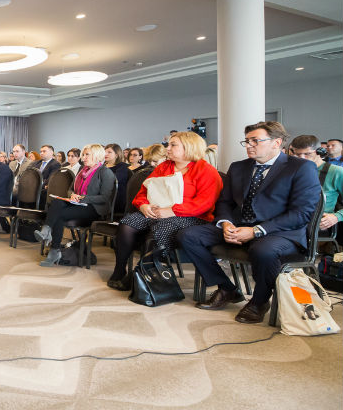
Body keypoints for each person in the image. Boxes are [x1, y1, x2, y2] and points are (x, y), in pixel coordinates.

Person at [178, 121, 321, 324]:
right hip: (239, 226)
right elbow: (225, 202)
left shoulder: (300, 168)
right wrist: (225, 223)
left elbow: (301, 213)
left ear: (276, 142)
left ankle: (259, 301)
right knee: (188, 236)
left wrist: (256, 230)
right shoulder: (238, 167)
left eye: (255, 140)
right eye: (247, 141)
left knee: (263, 250)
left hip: (280, 231)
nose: (249, 145)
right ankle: (227, 288)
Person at [107, 132, 223, 290]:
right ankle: (119, 269)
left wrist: (172, 211)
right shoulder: (164, 167)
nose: (167, 148)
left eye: (173, 145)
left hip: (192, 216)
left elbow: (204, 204)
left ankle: (141, 276)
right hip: (158, 211)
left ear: (189, 147)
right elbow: (144, 191)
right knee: (127, 224)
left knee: (160, 228)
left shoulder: (206, 170)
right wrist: (143, 205)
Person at [34, 144, 116, 266]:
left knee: (59, 215)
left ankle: (53, 248)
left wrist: (83, 198)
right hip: (78, 204)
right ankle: (47, 232)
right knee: (56, 202)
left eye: (87, 154)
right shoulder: (82, 171)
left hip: (94, 209)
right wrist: (72, 195)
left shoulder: (105, 172)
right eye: (83, 154)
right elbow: (70, 189)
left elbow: (105, 197)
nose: (84, 157)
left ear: (97, 155)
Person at [289, 135, 342, 233]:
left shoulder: (336, 172)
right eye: (298, 154)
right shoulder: (291, 171)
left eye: (307, 154)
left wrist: (336, 216)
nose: (302, 158)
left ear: (319, 151)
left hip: (317, 223)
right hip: (292, 219)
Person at [104, 143, 132, 214]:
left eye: (109, 152)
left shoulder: (123, 166)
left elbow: (114, 180)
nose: (105, 154)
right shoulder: (102, 166)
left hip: (116, 197)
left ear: (116, 155)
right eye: (105, 152)